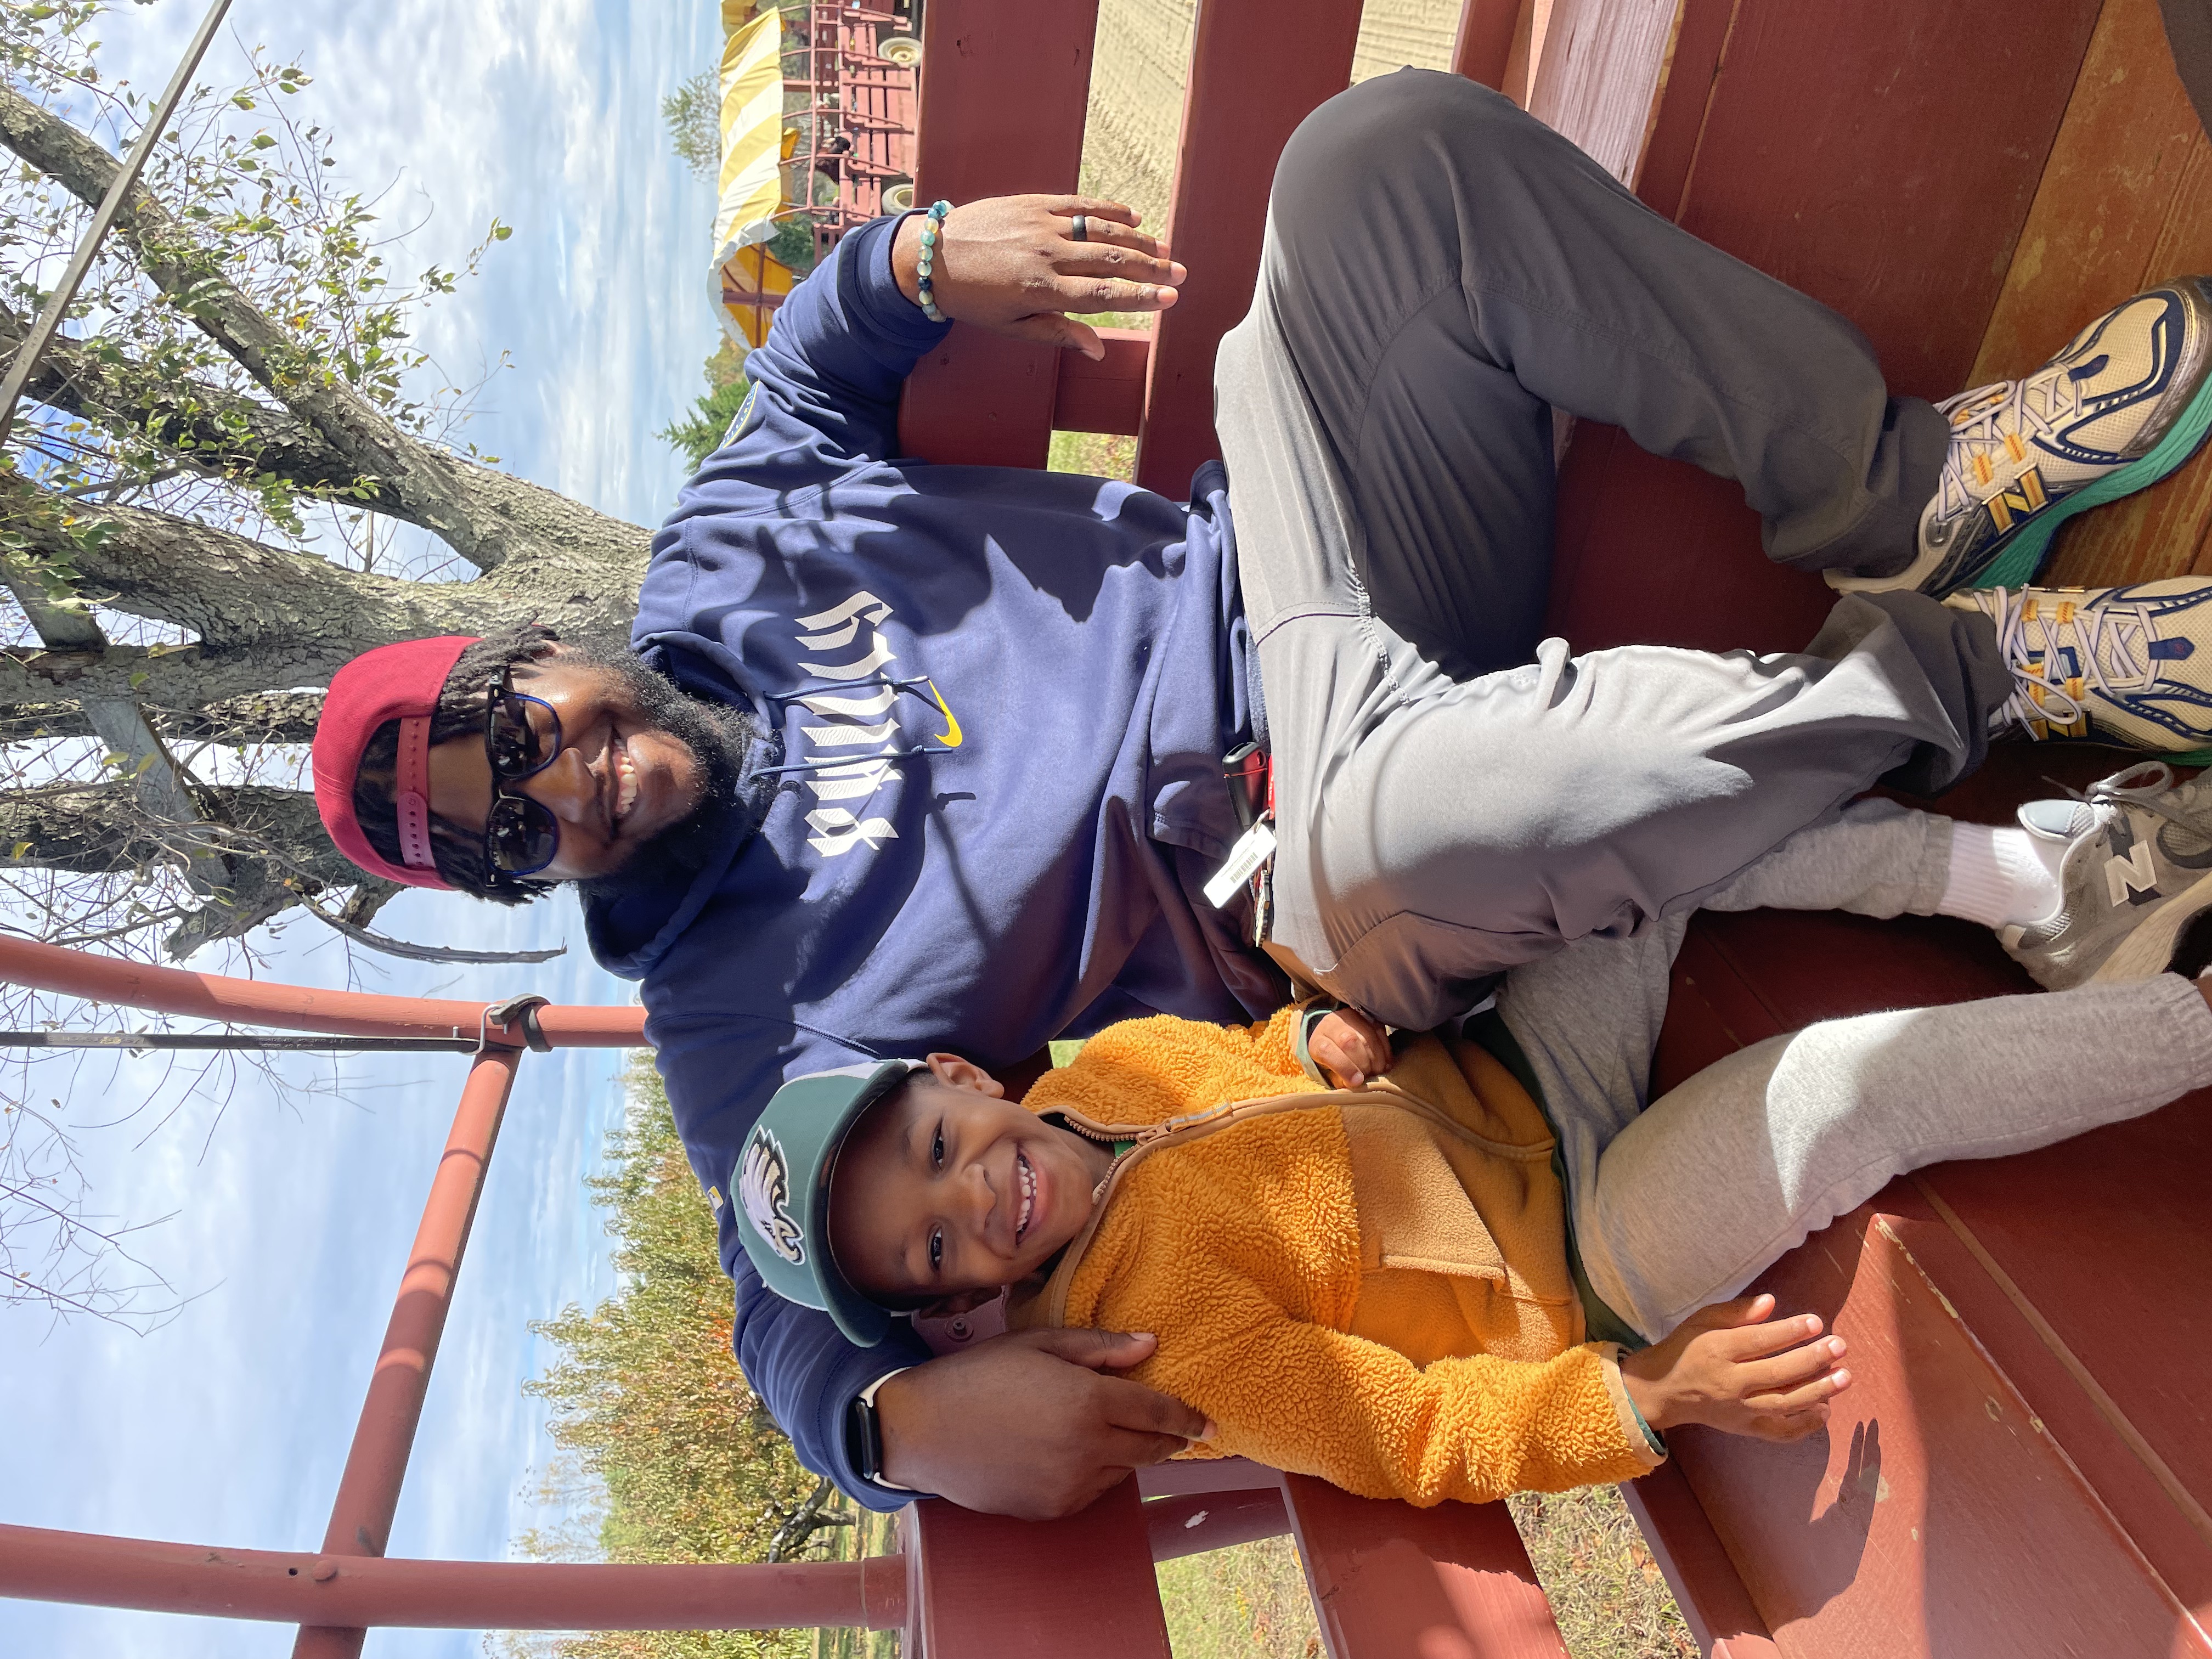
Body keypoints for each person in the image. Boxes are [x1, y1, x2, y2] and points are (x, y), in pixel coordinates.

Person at [307, 71, 2212, 1517]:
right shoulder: (734, 1014)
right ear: (515, 885)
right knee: (1409, 828)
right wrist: (889, 1427)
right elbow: (782, 1309)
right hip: (1325, 866)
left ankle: (1900, 488)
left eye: (505, 725)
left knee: (1372, 169)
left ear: (535, 657)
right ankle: (2005, 670)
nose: (549, 785)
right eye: (497, 832)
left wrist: (907, 260)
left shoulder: (718, 559)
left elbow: (810, 372)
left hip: (1303, 572)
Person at [729, 775, 2212, 1507]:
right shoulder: (1152, 1346)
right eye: (932, 1247)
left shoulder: (1107, 1070)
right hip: (1585, 1260)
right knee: (1842, 1088)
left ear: (950, 1074)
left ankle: (2029, 880)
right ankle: (2191, 1021)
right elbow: (1404, 1435)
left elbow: (1248, 1064)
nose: (973, 1197)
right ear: (952, 1310)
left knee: (1643, 834)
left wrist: (1303, 1038)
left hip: (1514, 1080)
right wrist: (1635, 1398)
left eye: (934, 1143)